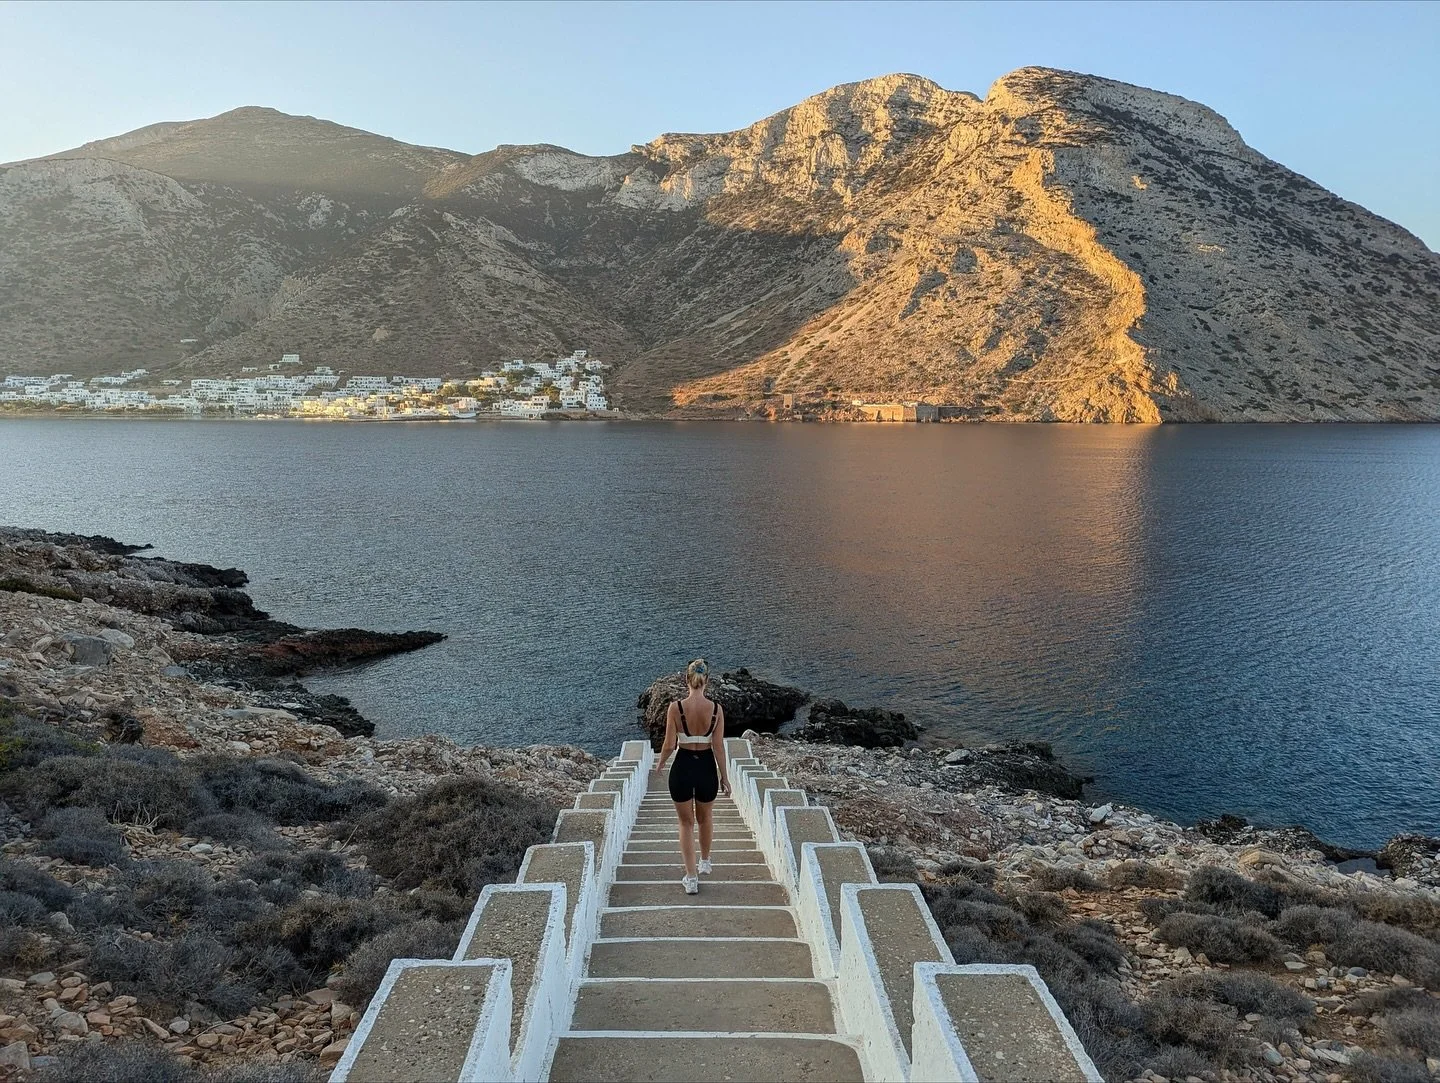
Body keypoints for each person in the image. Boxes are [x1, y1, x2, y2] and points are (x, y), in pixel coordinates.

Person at [653, 658, 731, 894]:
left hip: (683, 767)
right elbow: (718, 747)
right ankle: (705, 860)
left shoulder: (675, 708)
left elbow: (669, 744)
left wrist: (660, 764)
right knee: (705, 818)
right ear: (706, 681)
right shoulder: (716, 710)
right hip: (706, 767)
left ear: (686, 679)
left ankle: (691, 877)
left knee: (685, 823)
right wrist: (724, 777)